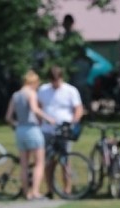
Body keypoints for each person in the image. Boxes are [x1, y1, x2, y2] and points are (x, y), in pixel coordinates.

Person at [4, 69, 55, 200]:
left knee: (24, 164)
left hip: (20, 130)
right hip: (32, 129)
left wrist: (17, 124)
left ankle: (26, 192)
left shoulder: (15, 95)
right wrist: (48, 118)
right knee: (39, 162)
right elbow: (34, 109)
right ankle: (35, 192)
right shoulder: (31, 93)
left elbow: (8, 117)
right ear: (34, 82)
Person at [38, 66, 84, 197]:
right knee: (49, 161)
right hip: (47, 130)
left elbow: (78, 109)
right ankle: (50, 190)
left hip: (64, 131)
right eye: (53, 81)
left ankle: (67, 189)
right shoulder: (43, 90)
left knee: (65, 160)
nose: (55, 83)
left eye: (57, 81)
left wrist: (73, 123)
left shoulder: (70, 91)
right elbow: (39, 107)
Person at [57, 14, 91, 112]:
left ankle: (82, 111)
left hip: (77, 68)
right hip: (68, 67)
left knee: (78, 90)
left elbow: (82, 52)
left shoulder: (76, 37)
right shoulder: (64, 37)